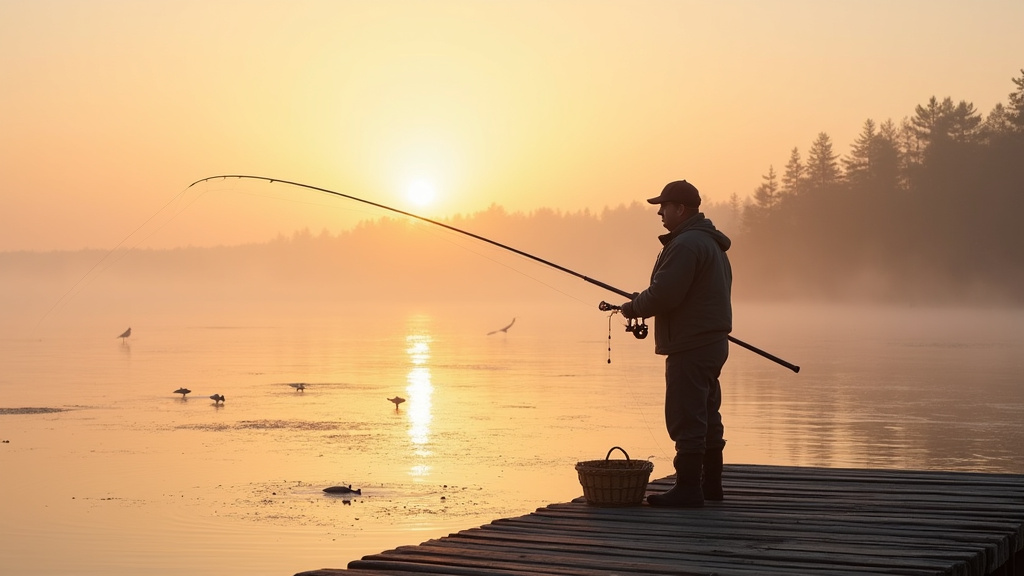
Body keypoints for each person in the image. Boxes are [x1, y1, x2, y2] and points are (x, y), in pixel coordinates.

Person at [620, 179, 732, 508]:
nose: (660, 212)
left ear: (680, 209)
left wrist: (634, 307)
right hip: (711, 342)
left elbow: (666, 295)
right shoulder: (709, 243)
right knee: (707, 414)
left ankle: (688, 489)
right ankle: (711, 485)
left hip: (691, 345)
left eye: (664, 207)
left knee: (686, 416)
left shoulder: (686, 245)